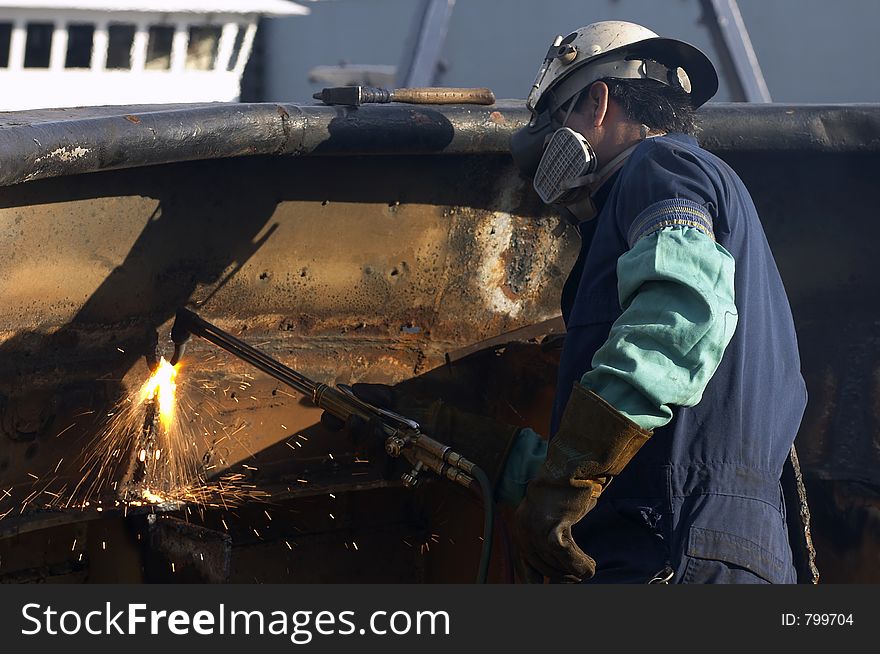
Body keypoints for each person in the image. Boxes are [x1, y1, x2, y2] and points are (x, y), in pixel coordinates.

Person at [325, 21, 809, 584]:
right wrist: (446, 436)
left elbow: (679, 317)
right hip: (718, 556)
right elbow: (623, 460)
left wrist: (566, 481)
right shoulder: (726, 222)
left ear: (598, 103)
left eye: (556, 116)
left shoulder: (661, 168)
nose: (545, 143)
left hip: (667, 556)